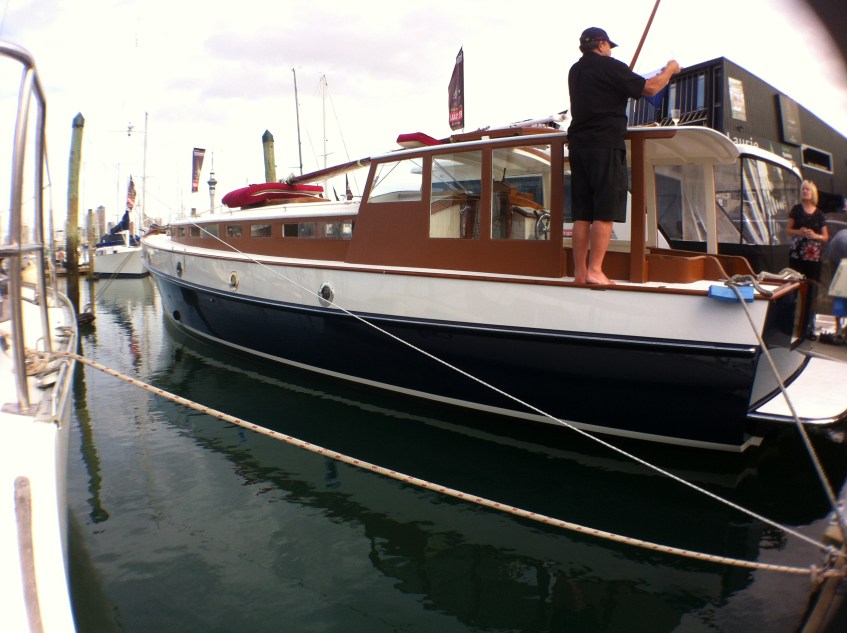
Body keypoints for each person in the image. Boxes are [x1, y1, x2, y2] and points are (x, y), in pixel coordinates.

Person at [567, 27, 680, 285]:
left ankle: (580, 273)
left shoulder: (575, 71)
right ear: (602, 44)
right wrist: (670, 69)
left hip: (579, 145)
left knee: (583, 214)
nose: (610, 51)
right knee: (604, 211)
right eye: (609, 46)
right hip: (605, 144)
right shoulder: (610, 66)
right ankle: (595, 271)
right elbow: (650, 88)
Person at [787, 179, 829, 339]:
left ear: (813, 193)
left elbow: (825, 237)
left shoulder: (819, 214)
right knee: (794, 289)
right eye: (803, 189)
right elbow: (788, 231)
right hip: (797, 256)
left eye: (808, 189)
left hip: (813, 257)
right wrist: (799, 232)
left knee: (812, 291)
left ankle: (808, 327)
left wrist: (815, 235)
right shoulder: (796, 210)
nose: (805, 191)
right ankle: (790, 324)